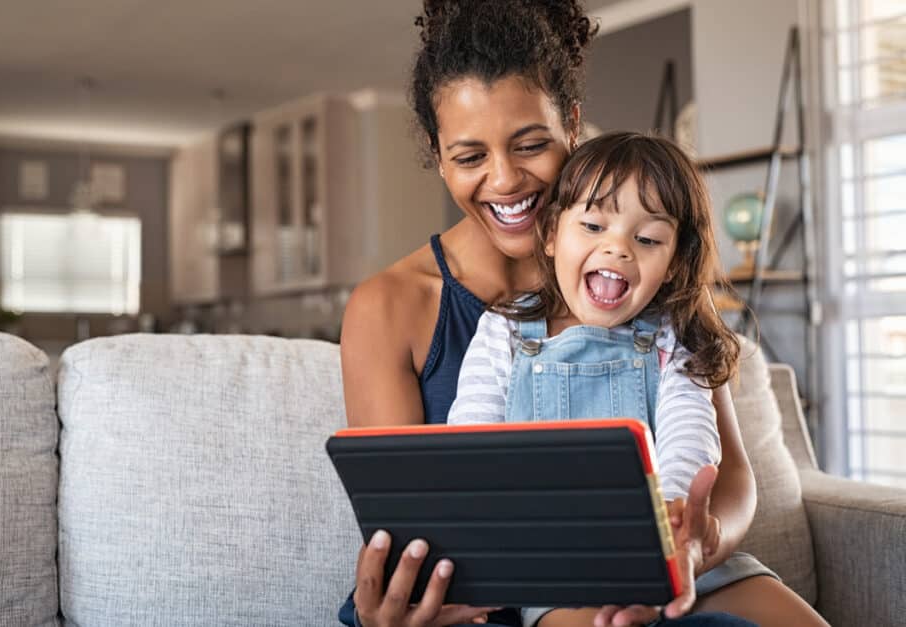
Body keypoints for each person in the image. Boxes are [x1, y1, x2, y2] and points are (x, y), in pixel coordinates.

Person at [339, 1, 824, 626]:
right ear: (437, 155)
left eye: (531, 144)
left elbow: (726, 474)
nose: (505, 180)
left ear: (571, 121)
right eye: (468, 158)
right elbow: (414, 518)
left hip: (681, 566)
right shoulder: (392, 306)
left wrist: (691, 548)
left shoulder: (646, 272)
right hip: (513, 587)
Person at [445, 131, 817, 627]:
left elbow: (691, 430)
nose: (618, 248)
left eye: (646, 239)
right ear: (553, 234)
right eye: (594, 225)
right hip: (565, 577)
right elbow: (469, 443)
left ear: (672, 264)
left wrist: (675, 519)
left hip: (680, 560)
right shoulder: (505, 330)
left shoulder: (673, 335)